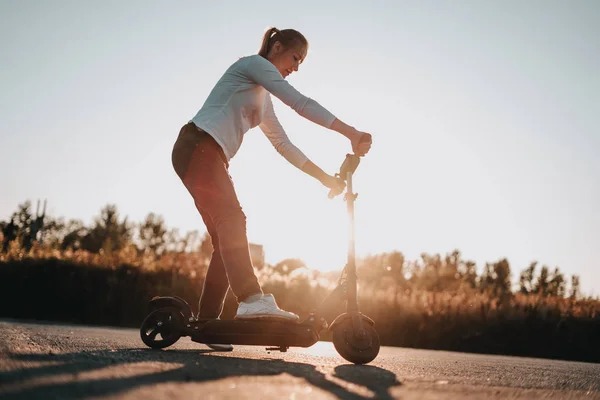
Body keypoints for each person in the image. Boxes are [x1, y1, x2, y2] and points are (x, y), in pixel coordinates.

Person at [171, 27, 372, 349]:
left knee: (226, 238)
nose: (296, 67)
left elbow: (283, 144)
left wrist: (325, 179)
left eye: (301, 62)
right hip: (199, 145)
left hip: (208, 155)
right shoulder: (251, 65)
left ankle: (207, 323)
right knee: (233, 220)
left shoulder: (262, 99)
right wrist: (350, 132)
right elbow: (300, 103)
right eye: (295, 58)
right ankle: (251, 298)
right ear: (276, 47)